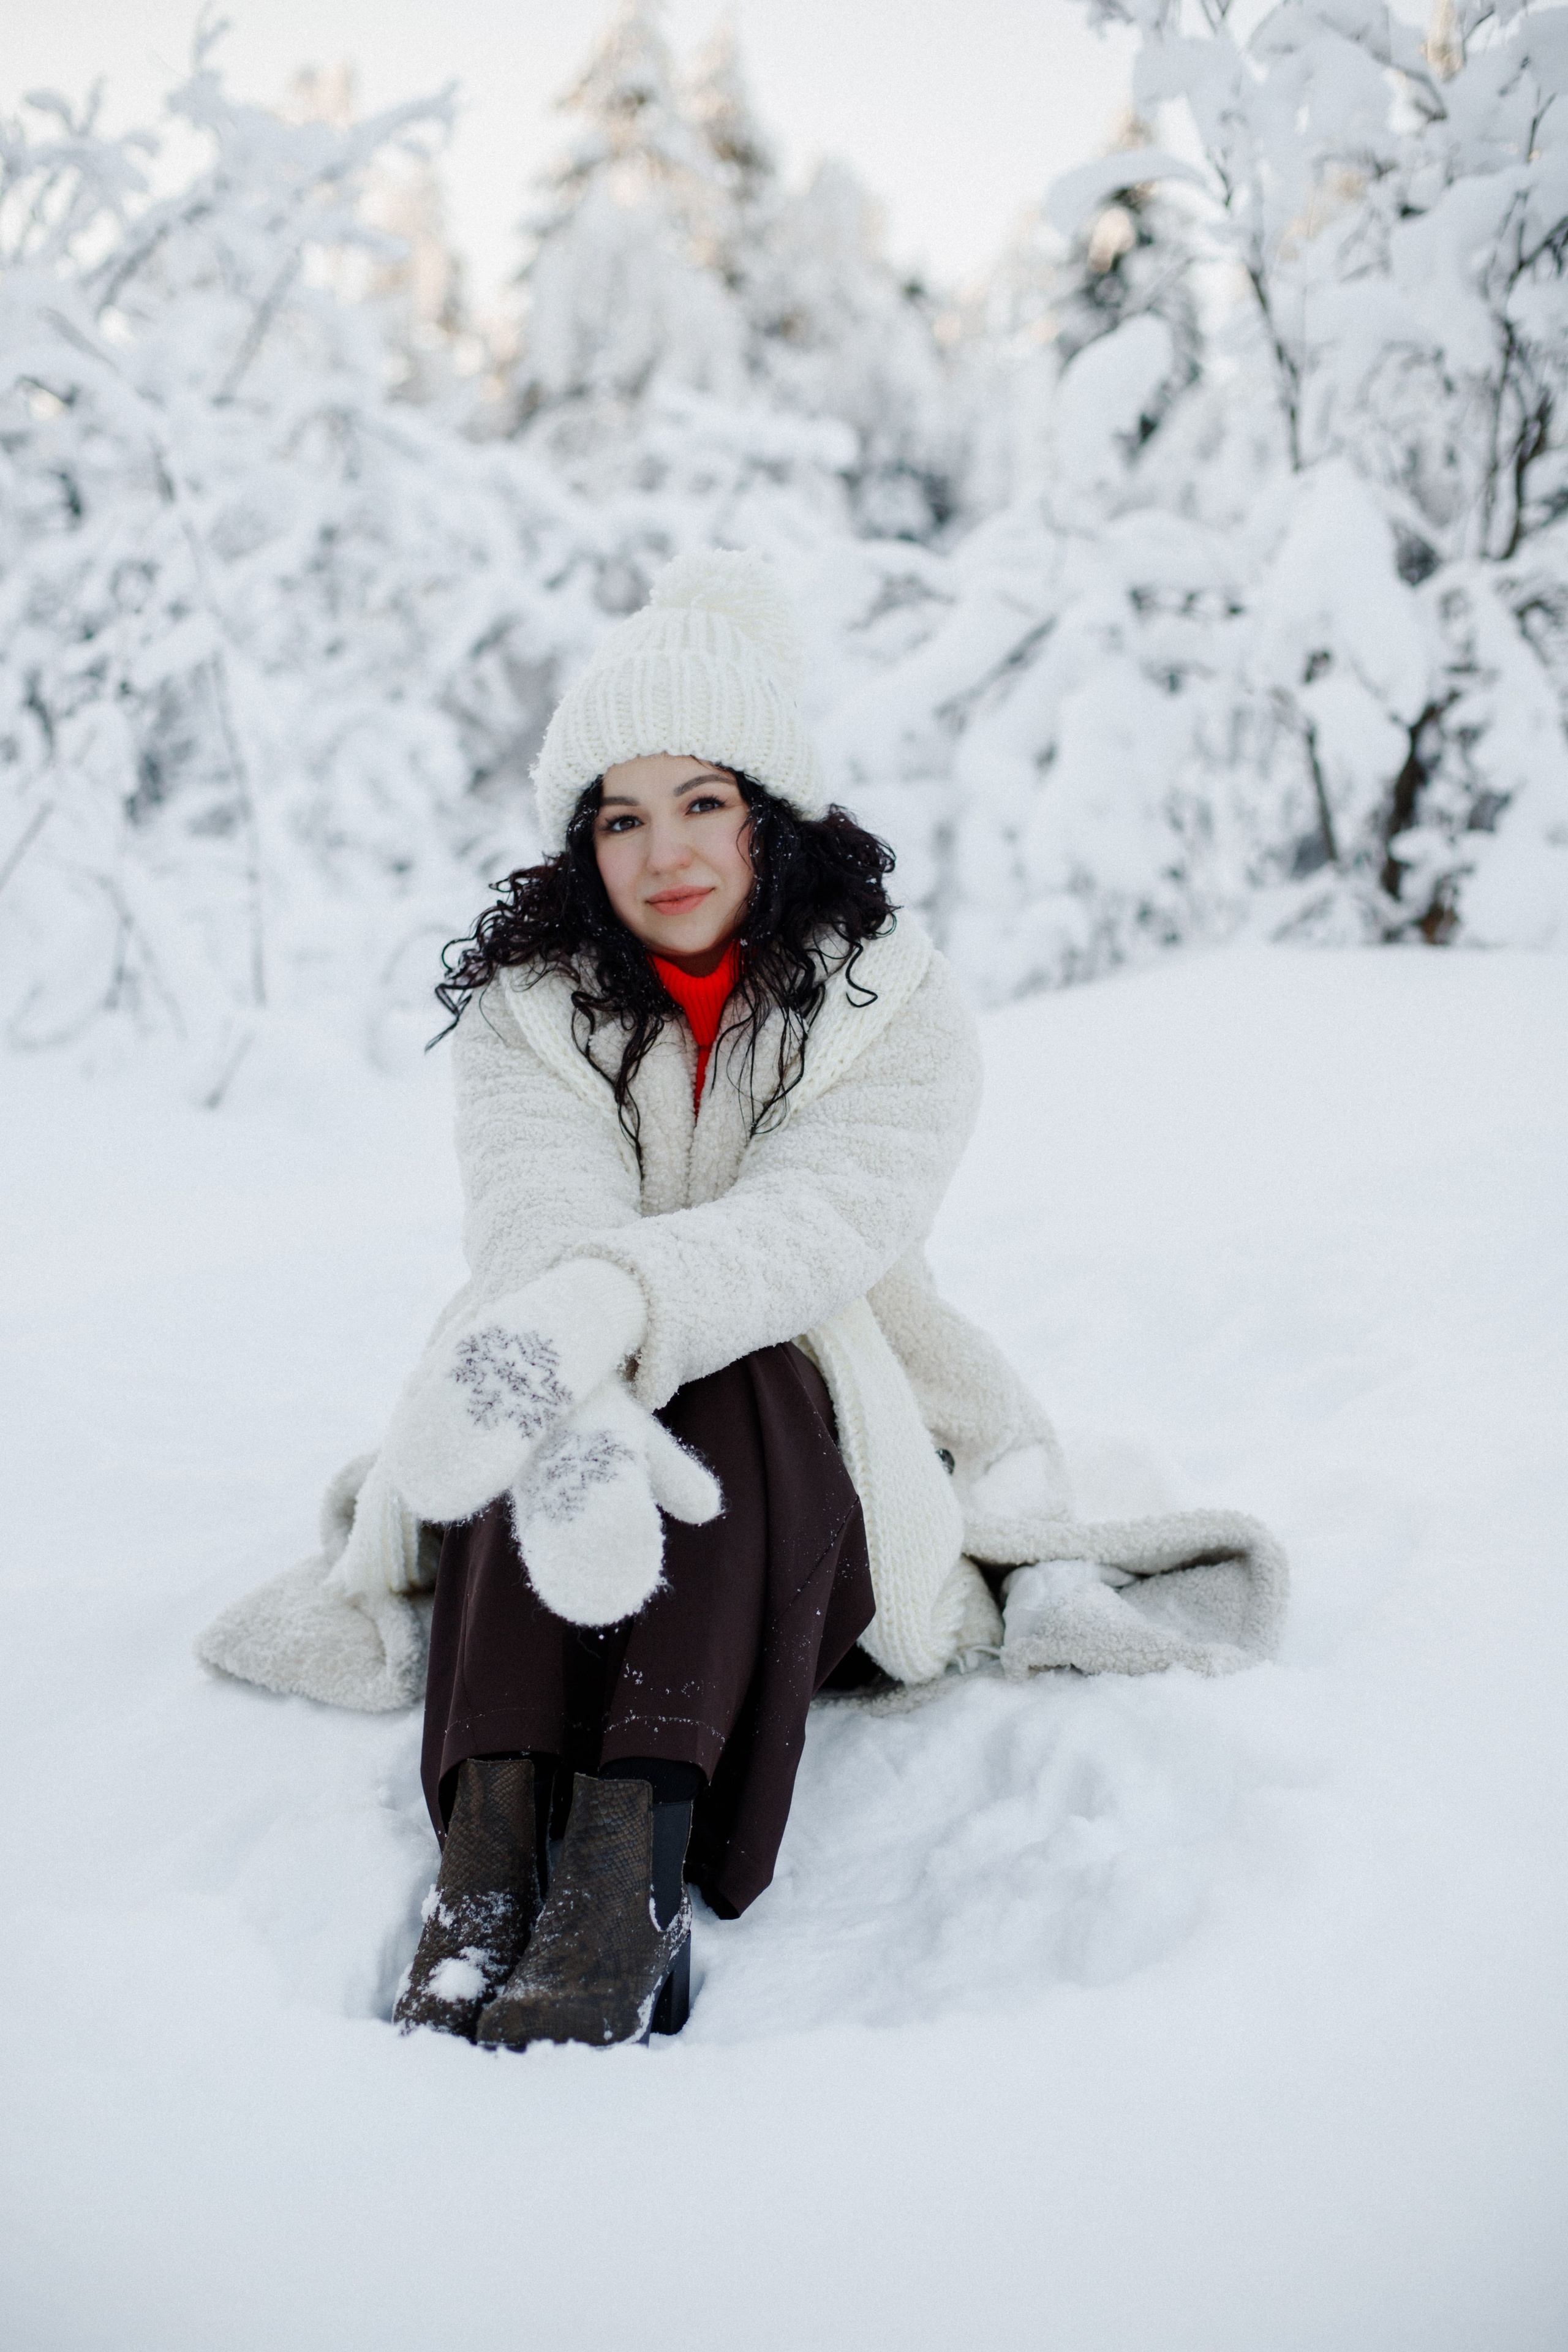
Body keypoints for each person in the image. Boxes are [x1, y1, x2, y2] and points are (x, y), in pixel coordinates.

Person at [344, 546, 1063, 2051]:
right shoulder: (530, 1011)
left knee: (727, 1360)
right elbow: (539, 1221)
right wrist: (576, 1338)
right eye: (620, 815)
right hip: (556, 1429)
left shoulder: (888, 999)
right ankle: (486, 1862)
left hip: (815, 1446)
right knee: (515, 1361)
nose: (663, 851)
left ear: (767, 814)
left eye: (702, 802)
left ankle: (631, 1869)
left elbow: (815, 1228)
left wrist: (613, 1314)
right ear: (578, 843)